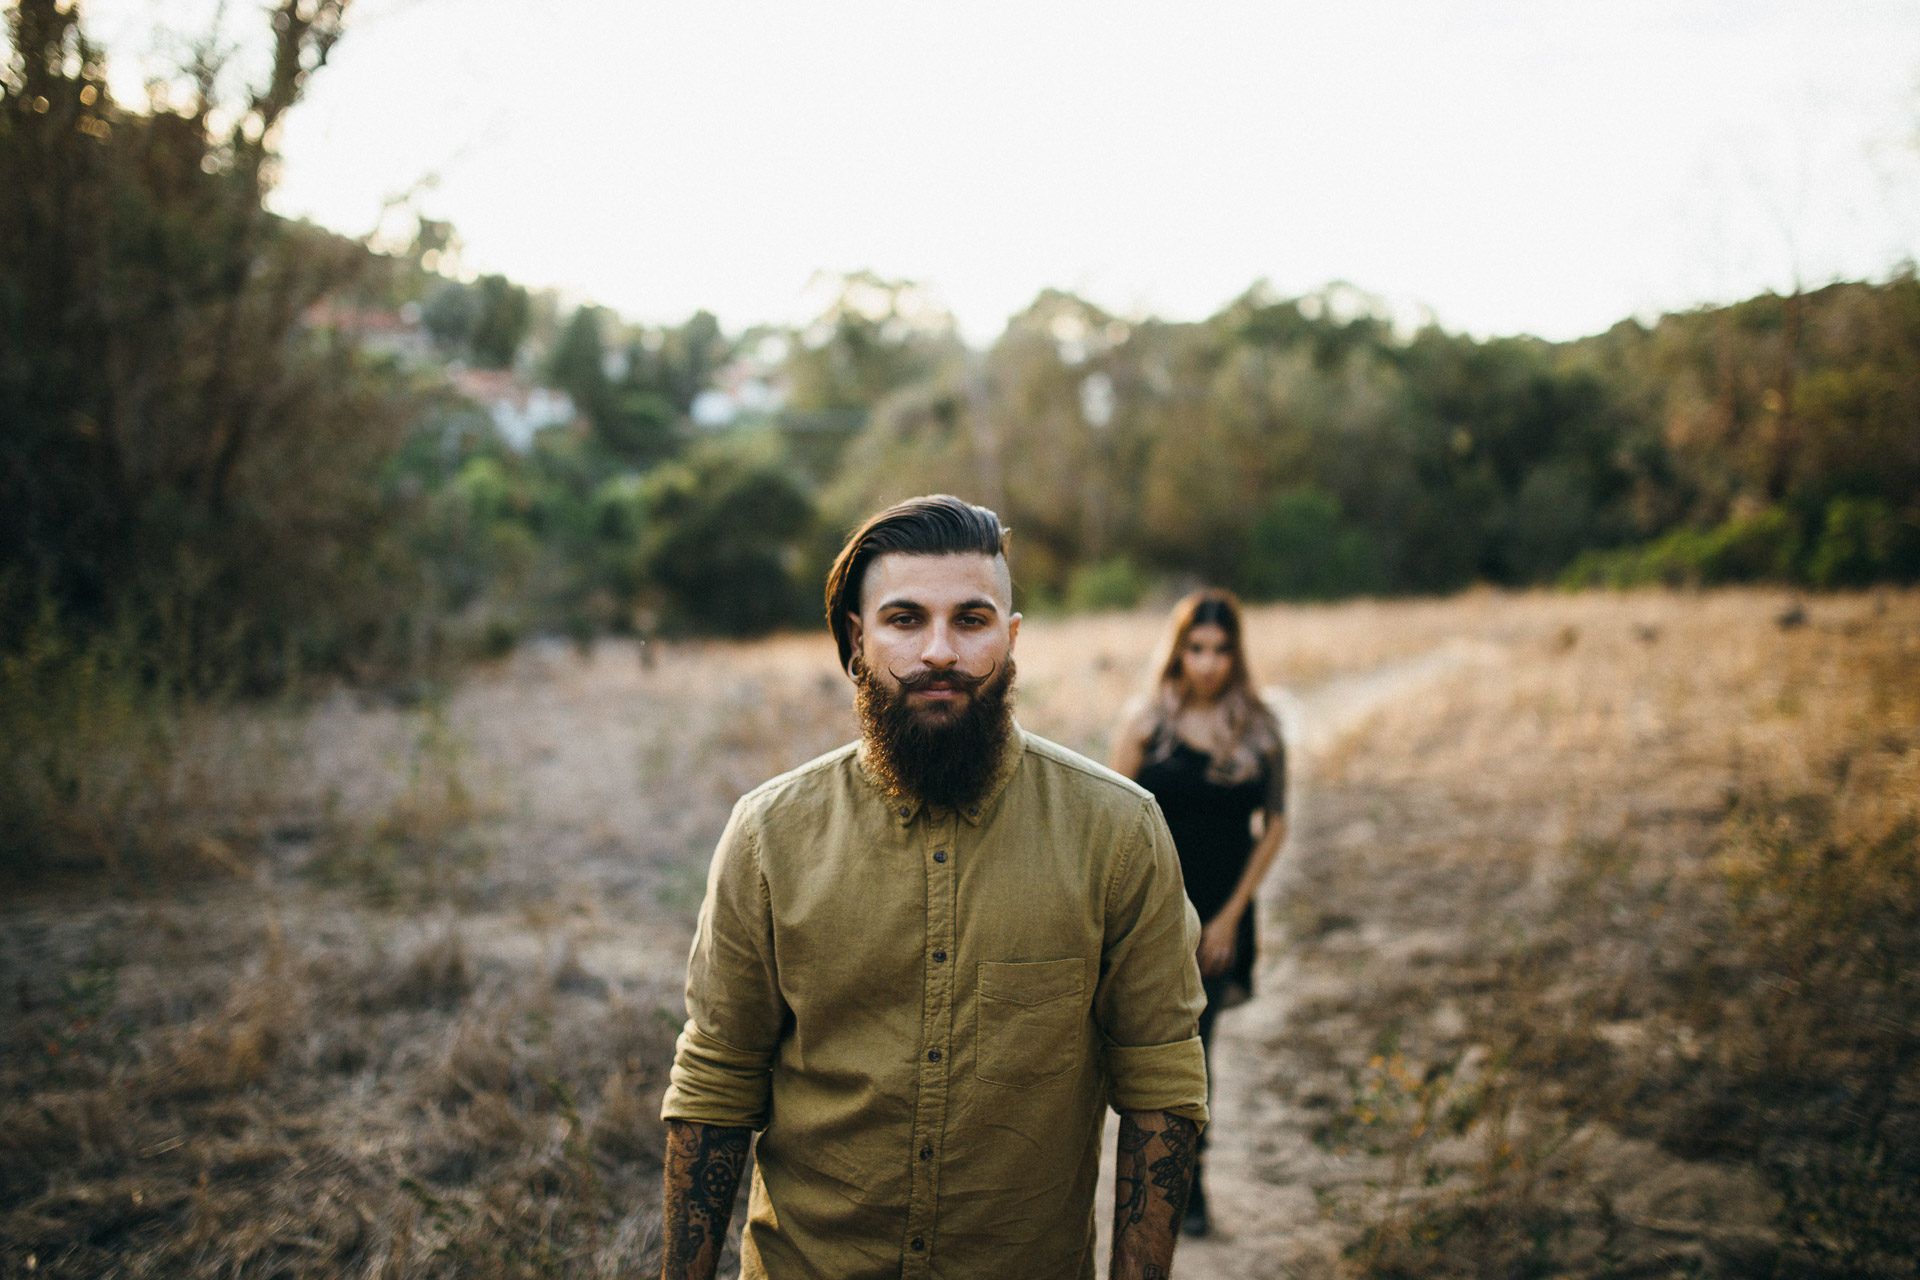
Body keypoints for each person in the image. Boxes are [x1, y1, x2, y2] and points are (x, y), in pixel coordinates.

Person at [659, 495, 1209, 1280]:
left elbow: (1162, 1079)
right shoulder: (767, 836)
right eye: (906, 620)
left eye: (972, 621)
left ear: (1012, 640)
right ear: (858, 640)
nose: (940, 652)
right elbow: (715, 1080)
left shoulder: (1119, 833)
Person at [1110, 589, 1287, 1238]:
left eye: (1220, 649)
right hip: (1151, 916)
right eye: (1196, 648)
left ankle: (1191, 1184)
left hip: (1220, 919)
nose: (1208, 663)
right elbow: (1114, 817)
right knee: (1137, 1053)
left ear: (1236, 654)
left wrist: (1231, 915)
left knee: (1196, 1055)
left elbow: (1274, 824)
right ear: (1179, 650)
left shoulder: (1260, 729)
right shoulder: (1146, 724)